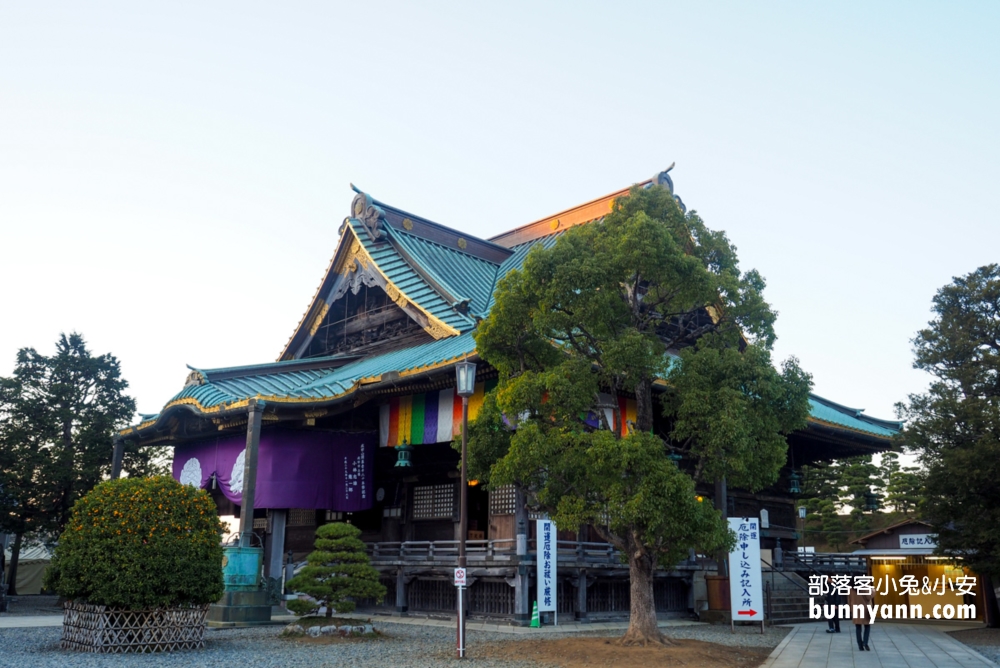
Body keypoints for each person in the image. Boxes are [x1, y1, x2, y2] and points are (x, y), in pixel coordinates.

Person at [848, 577, 874, 651]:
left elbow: (849, 600)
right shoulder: (864, 588)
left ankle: (860, 645)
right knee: (867, 626)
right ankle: (865, 642)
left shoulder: (851, 589)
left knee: (858, 628)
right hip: (865, 610)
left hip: (856, 610)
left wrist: (851, 609)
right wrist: (873, 592)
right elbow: (868, 597)